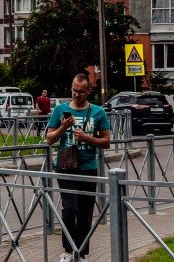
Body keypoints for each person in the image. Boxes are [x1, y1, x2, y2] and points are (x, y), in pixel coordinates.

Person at [45, 73, 111, 262]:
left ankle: (80, 252)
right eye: (74, 90)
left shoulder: (98, 112)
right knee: (70, 208)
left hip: (88, 167)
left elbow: (106, 142)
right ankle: (67, 250)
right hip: (66, 166)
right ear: (71, 88)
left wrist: (87, 138)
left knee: (85, 213)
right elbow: (49, 139)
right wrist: (63, 128)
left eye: (81, 92)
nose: (77, 95)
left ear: (88, 91)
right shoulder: (60, 110)